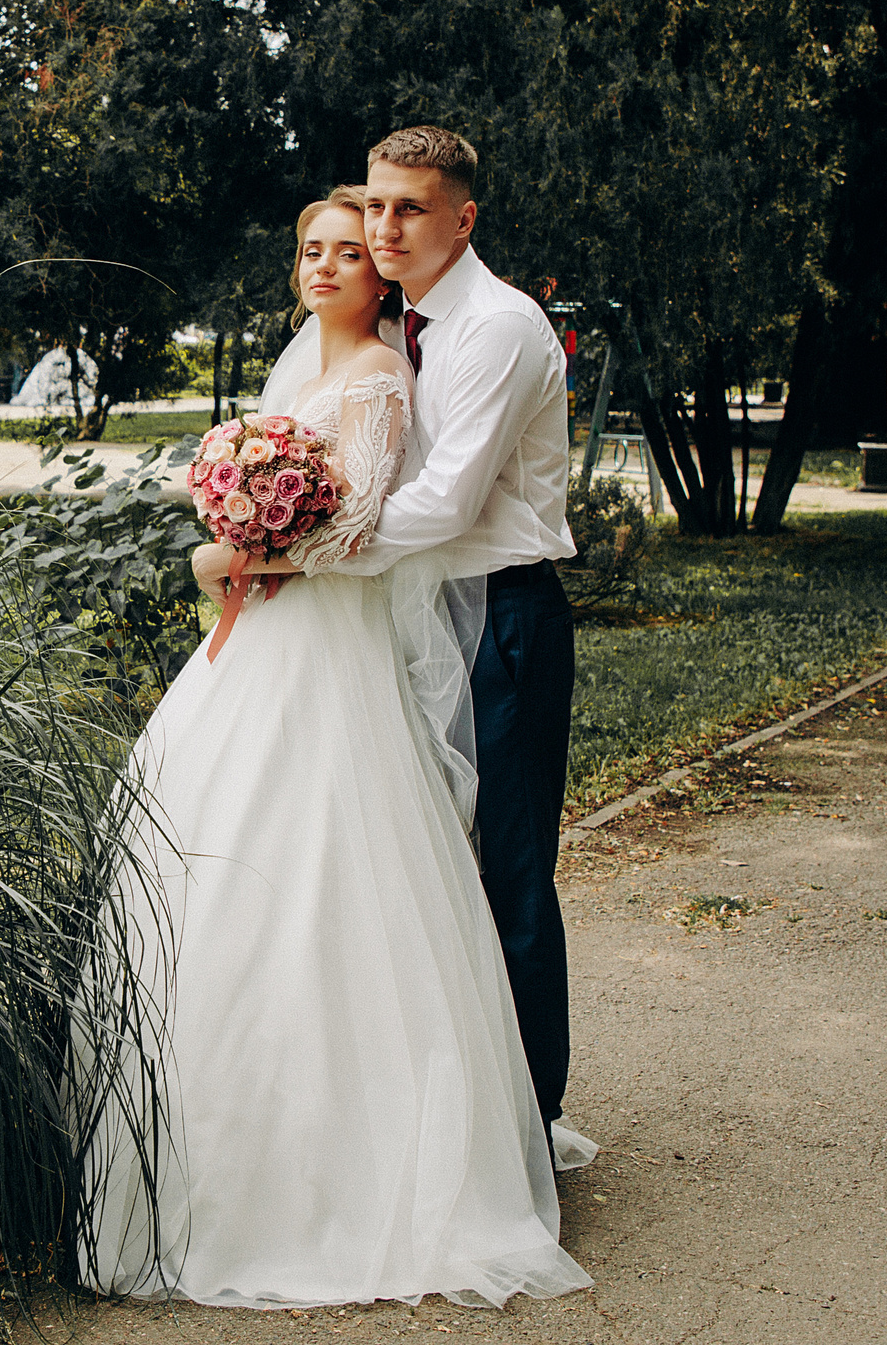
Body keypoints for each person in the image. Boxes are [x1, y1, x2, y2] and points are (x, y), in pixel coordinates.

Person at [75, 189, 588, 1312]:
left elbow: (359, 521)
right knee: (206, 850)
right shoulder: (295, 358)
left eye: (349, 252)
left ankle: (373, 1159)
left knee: (330, 862)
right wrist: (236, 526)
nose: (326, 265)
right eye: (310, 247)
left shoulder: (382, 378)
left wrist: (240, 552)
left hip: (327, 640)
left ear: (383, 272)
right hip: (265, 636)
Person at [211, 126, 583, 1142]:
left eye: (409, 207)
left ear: (462, 217)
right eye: (375, 204)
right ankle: (442, 1108)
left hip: (501, 614)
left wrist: (289, 553)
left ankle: (529, 1129)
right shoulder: (408, 326)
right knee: (416, 868)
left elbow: (445, 505)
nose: (383, 226)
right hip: (416, 616)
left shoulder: (496, 329)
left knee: (506, 872)